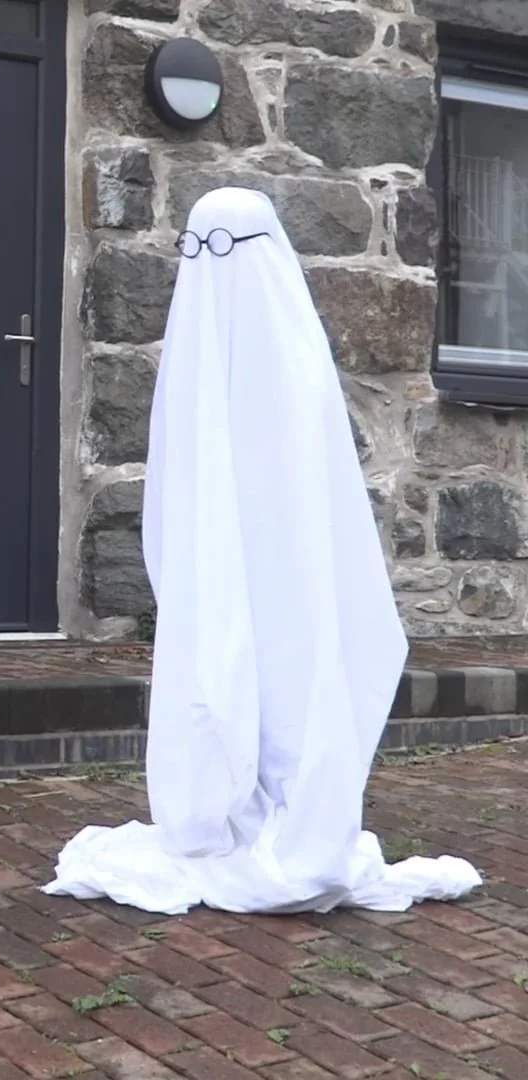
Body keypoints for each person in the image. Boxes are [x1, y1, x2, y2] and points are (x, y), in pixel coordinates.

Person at [41, 187, 482, 915]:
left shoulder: (292, 355)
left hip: (286, 561)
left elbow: (312, 474)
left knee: (288, 674)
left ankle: (290, 801)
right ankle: (219, 807)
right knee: (220, 665)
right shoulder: (196, 359)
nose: (213, 264)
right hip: (224, 559)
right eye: (198, 246)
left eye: (227, 245)